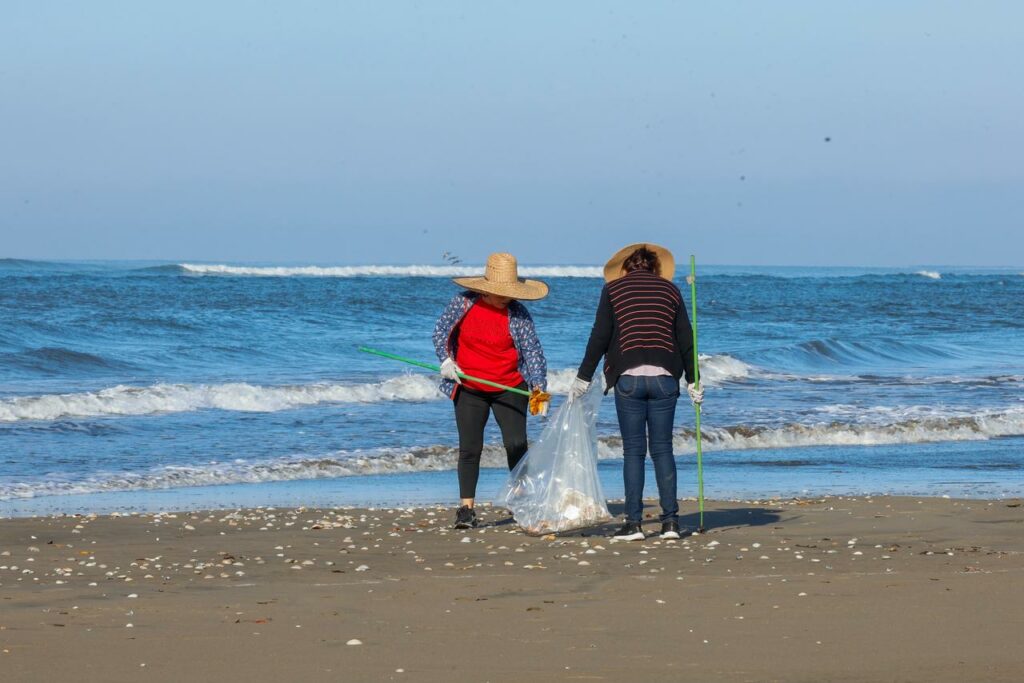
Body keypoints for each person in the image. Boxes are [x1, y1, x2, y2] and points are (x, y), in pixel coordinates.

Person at [571, 243, 704, 540]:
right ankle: (670, 523)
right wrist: (694, 380)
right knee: (662, 449)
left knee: (633, 451)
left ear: (626, 268)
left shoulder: (613, 290)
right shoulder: (671, 291)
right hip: (665, 377)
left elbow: (600, 336)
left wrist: (583, 377)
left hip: (628, 376)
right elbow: (686, 338)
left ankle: (634, 524)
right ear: (656, 269)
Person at [433, 252, 550, 529]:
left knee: (516, 444)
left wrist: (539, 388)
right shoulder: (463, 303)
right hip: (469, 387)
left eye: (509, 292)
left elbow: (533, 351)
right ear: (485, 289)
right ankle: (466, 510)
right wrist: (446, 360)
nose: (505, 297)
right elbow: (439, 332)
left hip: (509, 386)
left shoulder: (518, 313)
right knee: (470, 448)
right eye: (500, 293)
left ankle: (523, 498)